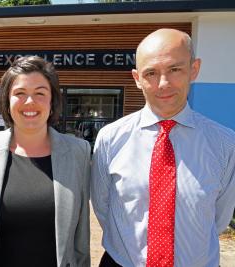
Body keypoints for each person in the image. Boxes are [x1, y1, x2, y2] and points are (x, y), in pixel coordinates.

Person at [91, 28, 235, 267]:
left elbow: (218, 219)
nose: (164, 83)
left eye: (174, 69)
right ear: (137, 79)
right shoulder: (110, 139)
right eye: (151, 73)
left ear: (194, 69)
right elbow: (104, 209)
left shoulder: (225, 144)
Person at [0, 56, 91, 267]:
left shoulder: (78, 152)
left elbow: (81, 239)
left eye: (40, 93)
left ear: (52, 100)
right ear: (6, 100)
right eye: (20, 93)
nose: (30, 102)